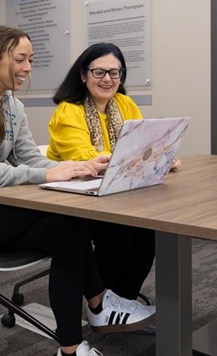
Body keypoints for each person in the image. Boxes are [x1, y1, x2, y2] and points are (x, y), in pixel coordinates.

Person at [0, 26, 155, 356]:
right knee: (64, 221)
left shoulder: (12, 104)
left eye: (30, 59)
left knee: (69, 226)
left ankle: (74, 344)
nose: (29, 67)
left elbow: (29, 156)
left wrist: (72, 171)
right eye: (21, 59)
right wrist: (47, 172)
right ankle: (101, 303)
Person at [47, 43, 181, 314]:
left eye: (114, 73)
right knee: (117, 233)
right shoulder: (68, 111)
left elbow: (144, 143)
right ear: (83, 75)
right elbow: (87, 159)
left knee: (148, 232)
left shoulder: (125, 103)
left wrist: (162, 156)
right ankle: (103, 307)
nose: (107, 79)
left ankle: (123, 301)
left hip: (118, 192)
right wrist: (139, 158)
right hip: (79, 198)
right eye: (99, 72)